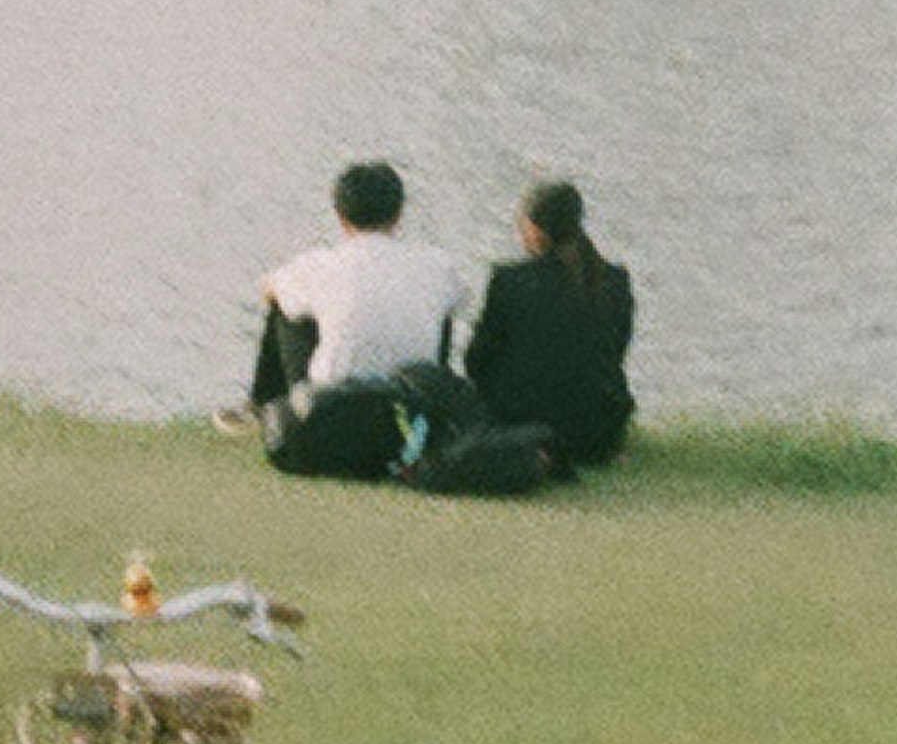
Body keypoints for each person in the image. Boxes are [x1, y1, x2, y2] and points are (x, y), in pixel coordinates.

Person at [248, 162, 553, 496]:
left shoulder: (319, 264)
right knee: (442, 305)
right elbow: (459, 298)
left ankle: (264, 405)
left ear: (339, 215)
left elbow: (268, 286)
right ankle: (426, 388)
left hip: (328, 417)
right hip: (410, 421)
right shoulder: (435, 265)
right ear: (398, 214)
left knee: (284, 301)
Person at [462, 178, 637, 476]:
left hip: (520, 429)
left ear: (534, 227)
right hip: (596, 434)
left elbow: (477, 361)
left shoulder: (509, 281)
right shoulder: (615, 280)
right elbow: (615, 351)